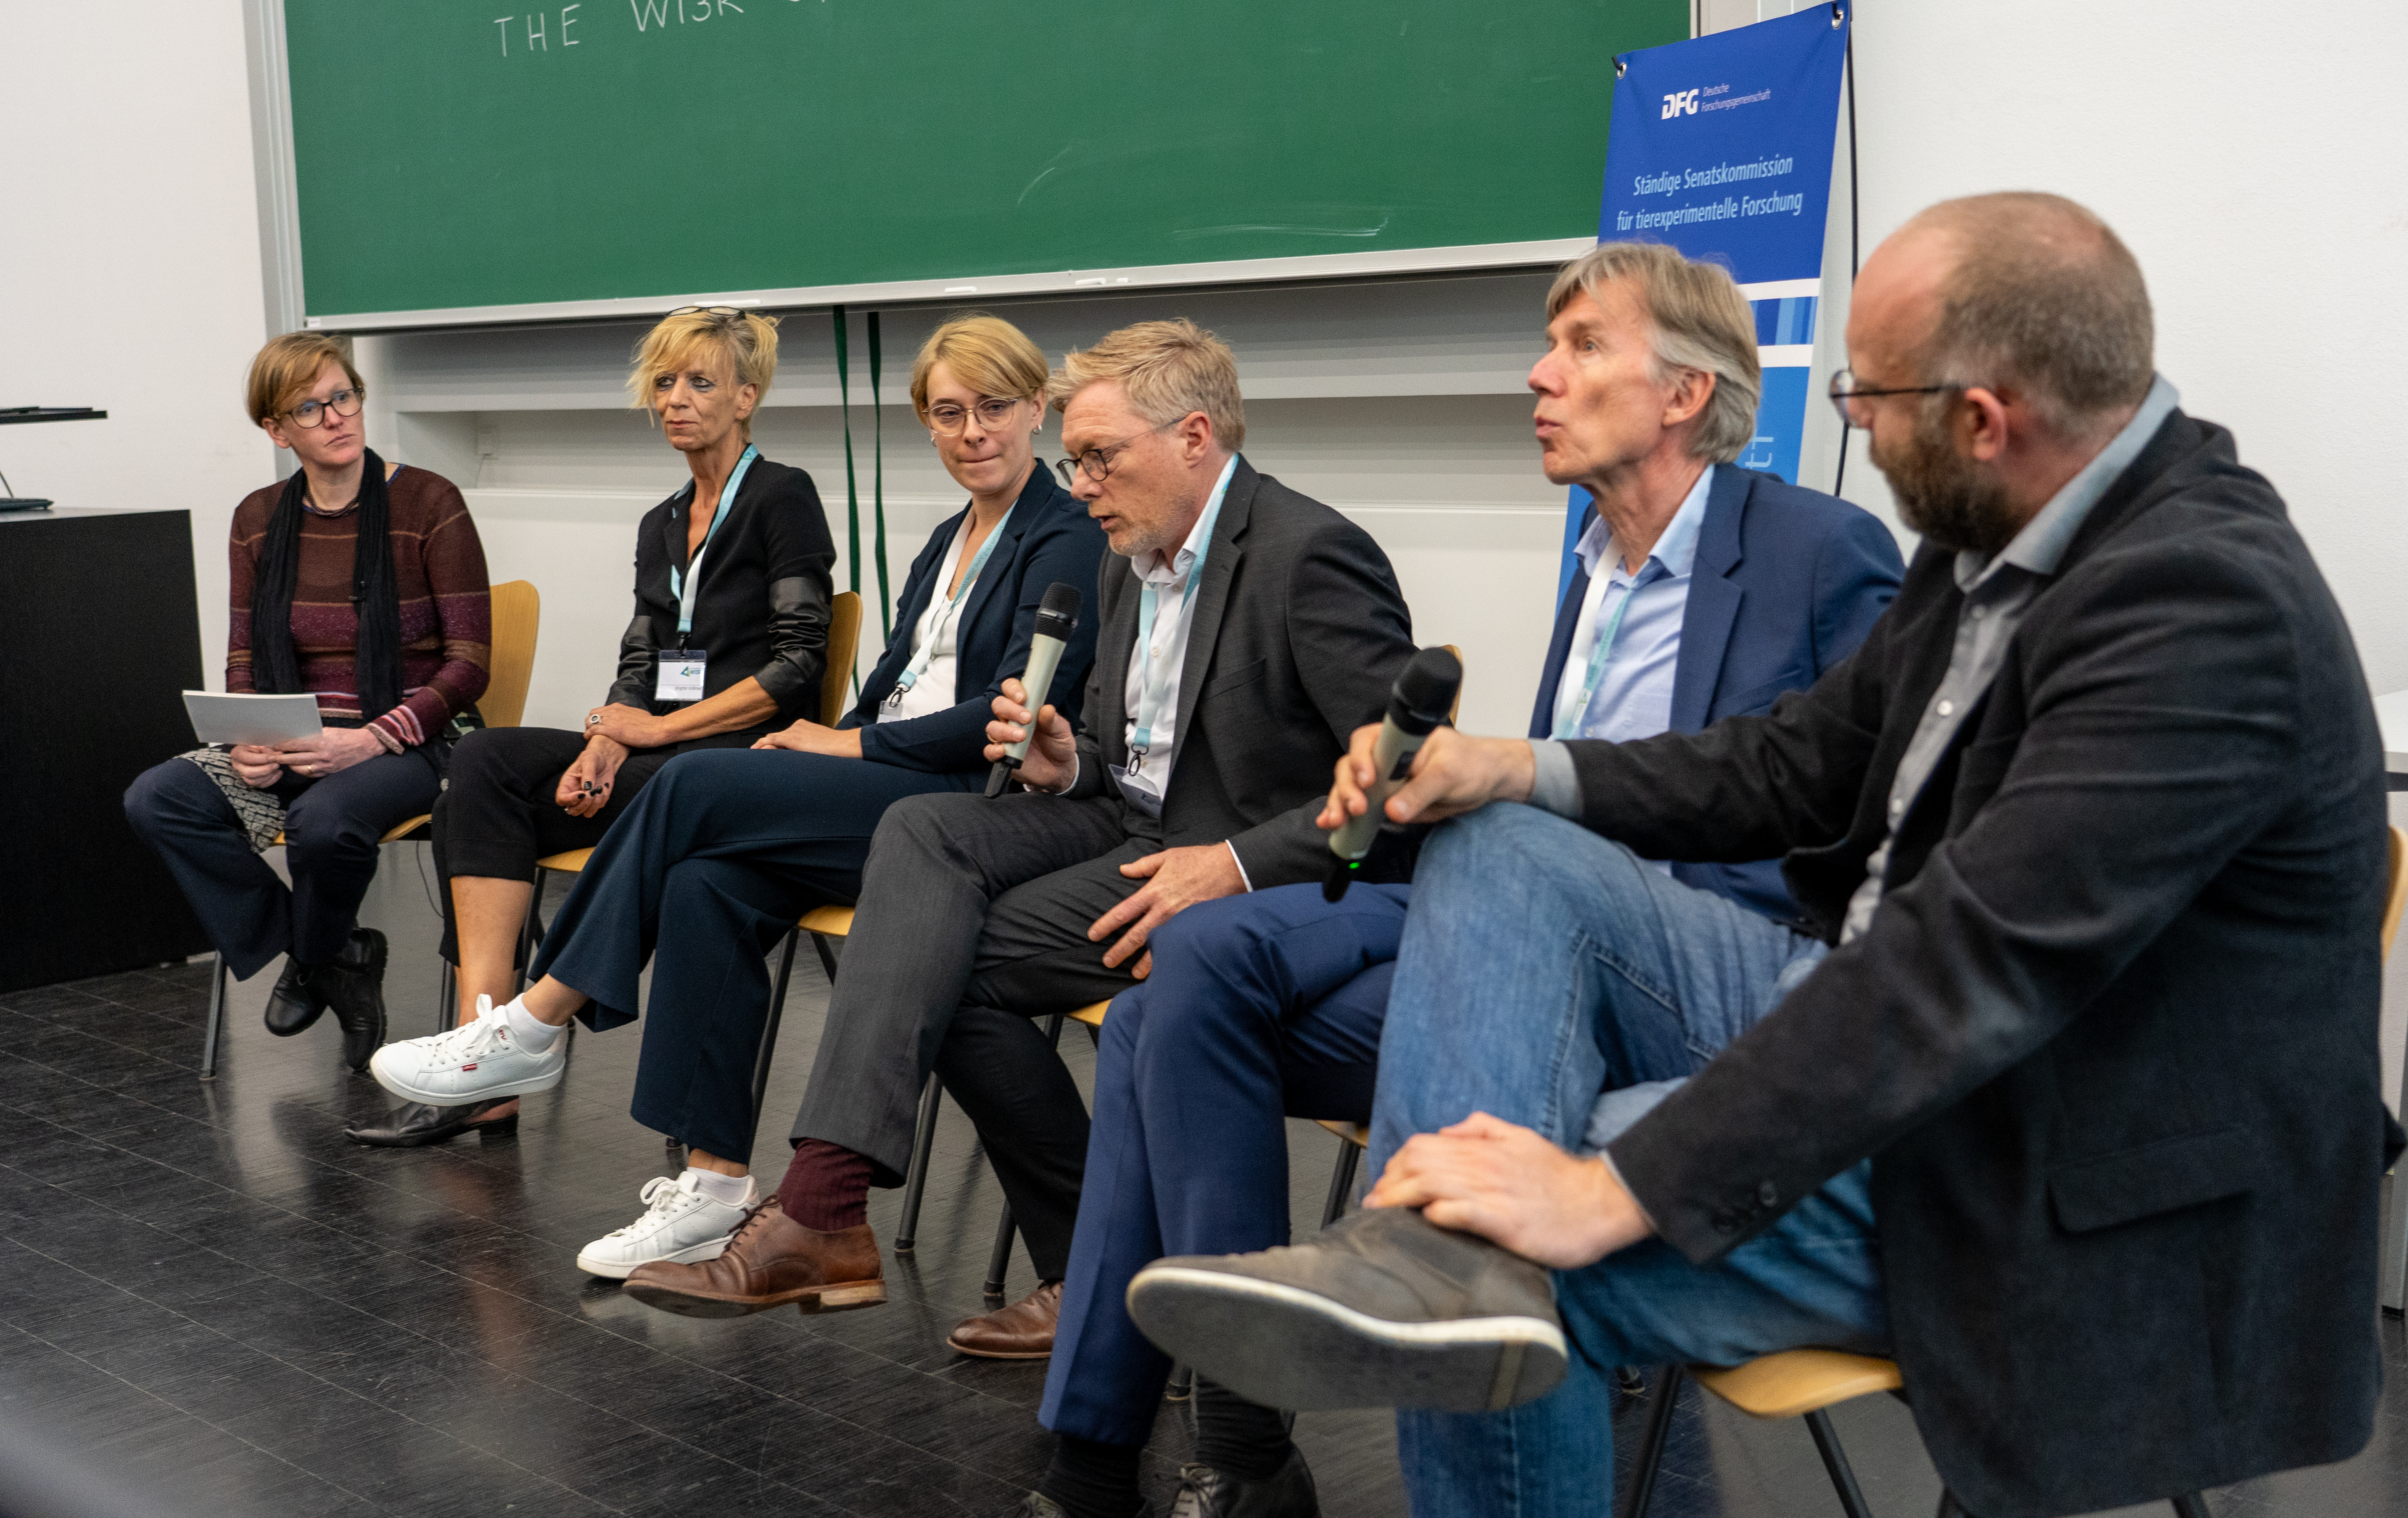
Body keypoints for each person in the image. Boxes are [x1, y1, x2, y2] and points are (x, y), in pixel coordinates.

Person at [1124, 193, 2401, 1518]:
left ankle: (1438, 1259)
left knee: (1520, 1235)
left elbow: (1967, 967)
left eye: (1869, 394)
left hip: (2061, 1149)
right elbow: (1793, 761)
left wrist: (1608, 1184)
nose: (1850, 421)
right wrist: (1517, 763)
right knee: (1503, 837)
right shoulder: (2000, 540)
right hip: (1886, 1030)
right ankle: (1418, 1257)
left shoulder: (2204, 603)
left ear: (1984, 417)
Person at [1016, 243, 1903, 1518]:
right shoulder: (1593, 562)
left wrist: (1500, 789)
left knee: (1462, 849)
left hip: (1695, 977)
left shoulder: (1821, 549)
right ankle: (1158, 1452)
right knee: (1174, 991)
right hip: (1517, 958)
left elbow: (1849, 800)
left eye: (1583, 345)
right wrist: (1393, 791)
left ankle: (1389, 1296)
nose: (1539, 374)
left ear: (1685, 393)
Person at [603, 318, 1417, 1352]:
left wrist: (1237, 861)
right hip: (1122, 823)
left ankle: (1015, 1253)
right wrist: (1066, 759)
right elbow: (1132, 758)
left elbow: (1399, 783)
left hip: (1256, 876)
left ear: (1196, 436)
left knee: (939, 964)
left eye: (1099, 457)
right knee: (926, 839)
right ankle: (854, 1215)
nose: (1079, 484)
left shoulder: (1310, 553)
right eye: (1074, 460)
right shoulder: (1130, 555)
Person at [362, 313, 1104, 1286]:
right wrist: (836, 743)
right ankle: (710, 1188)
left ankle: (536, 1021)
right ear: (926, 423)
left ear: (1036, 411)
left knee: (698, 777)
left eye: (994, 409)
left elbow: (1003, 715)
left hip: (964, 804)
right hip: (879, 776)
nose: (973, 432)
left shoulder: (1068, 538)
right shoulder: (945, 537)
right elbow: (892, 676)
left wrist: (843, 740)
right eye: (949, 412)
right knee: (707, 882)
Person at [347, 305, 832, 1146]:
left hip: (735, 762)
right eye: (665, 383)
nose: (675, 399)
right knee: (482, 765)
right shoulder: (660, 522)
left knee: (651, 778)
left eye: (700, 382)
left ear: (747, 397)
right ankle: (483, 1052)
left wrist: (655, 736)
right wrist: (609, 739)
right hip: (653, 756)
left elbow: (796, 669)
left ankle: (496, 1054)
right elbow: (640, 660)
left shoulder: (782, 497)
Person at [124, 333, 491, 1071]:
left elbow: (471, 662)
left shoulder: (428, 501)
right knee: (158, 797)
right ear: (276, 428)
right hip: (294, 740)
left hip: (408, 742)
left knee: (324, 822)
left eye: (344, 396)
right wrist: (250, 739)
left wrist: (371, 737)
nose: (335, 417)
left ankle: (315, 959)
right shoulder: (257, 518)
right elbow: (242, 655)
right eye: (310, 407)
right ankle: (333, 955)